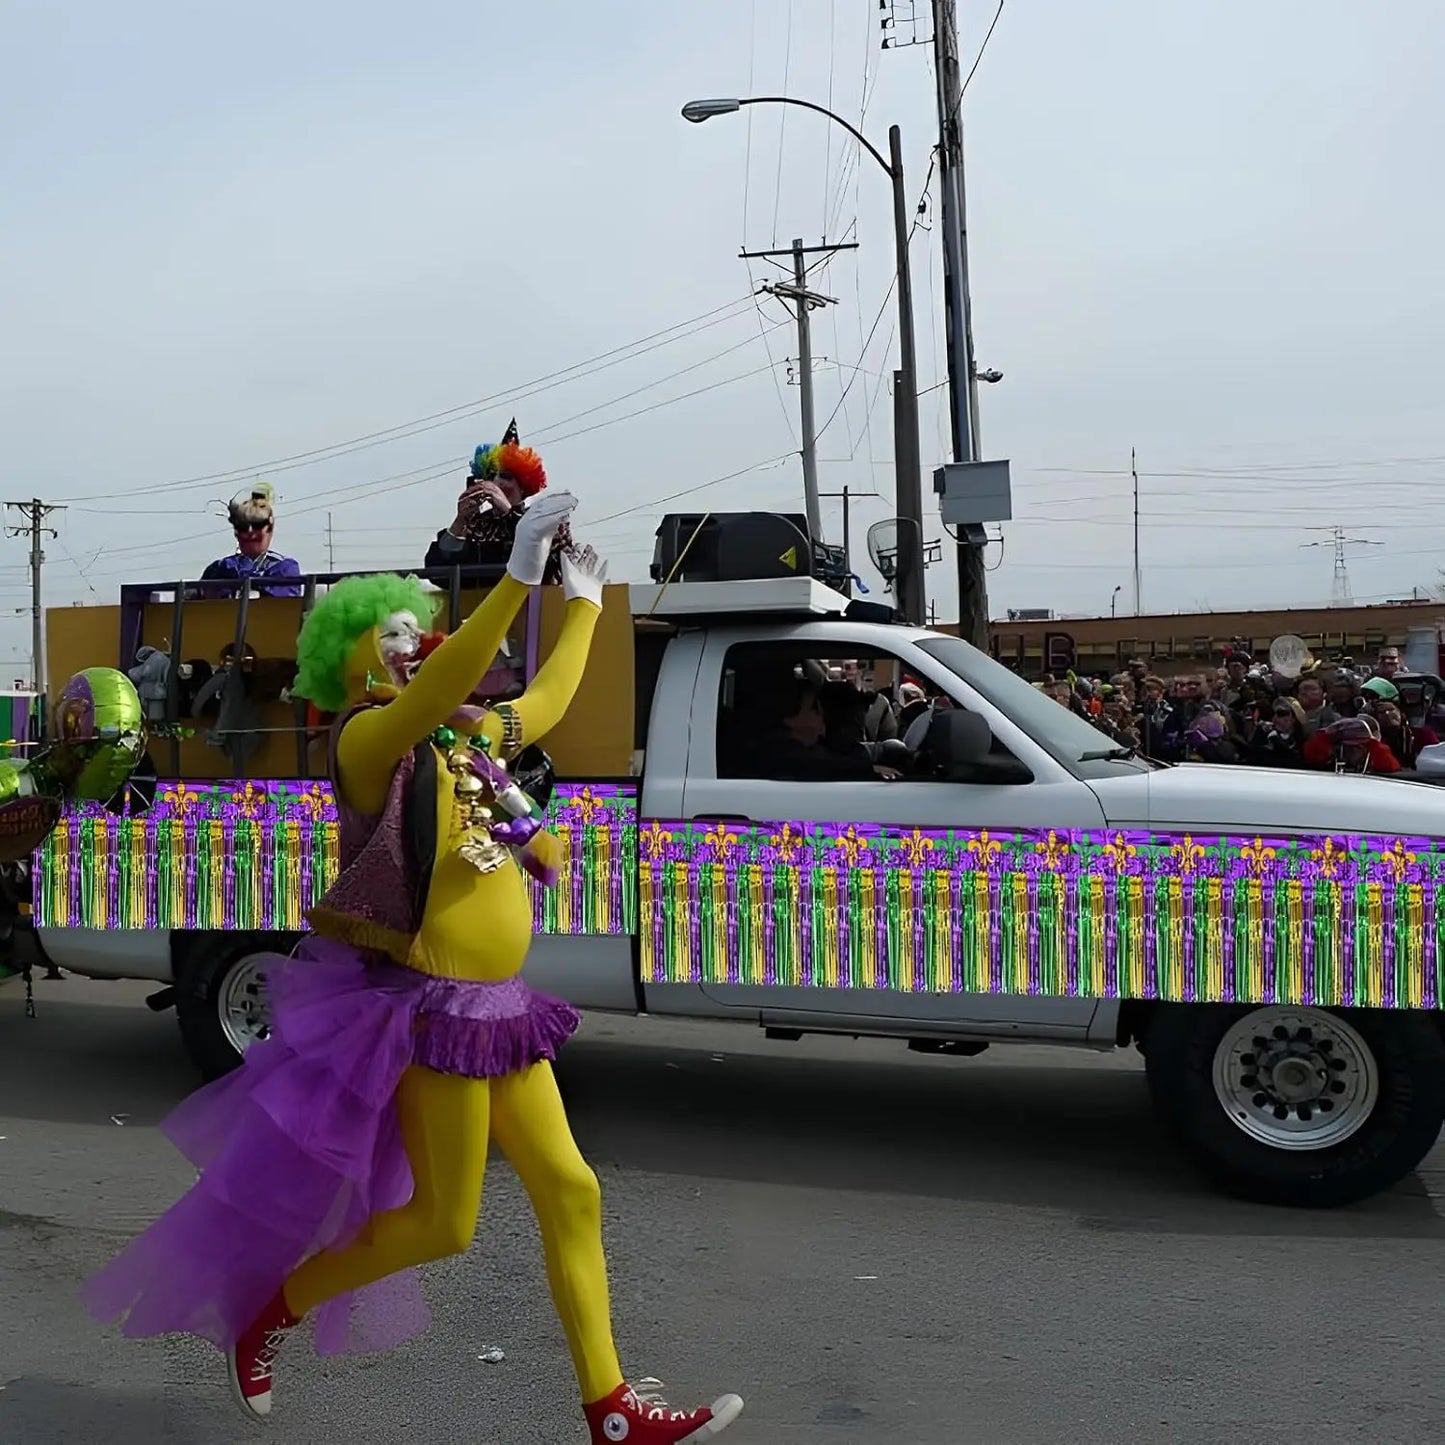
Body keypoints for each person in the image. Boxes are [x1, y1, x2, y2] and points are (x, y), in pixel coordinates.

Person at [84, 492, 743, 1444]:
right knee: (445, 1225)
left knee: (572, 1188)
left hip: (505, 1005)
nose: (405, 644)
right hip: (433, 1011)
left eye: (412, 629)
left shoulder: (464, 741)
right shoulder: (366, 740)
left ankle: (608, 1409)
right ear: (347, 658)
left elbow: (544, 704)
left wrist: (586, 604)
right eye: (386, 634)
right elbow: (441, 687)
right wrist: (515, 580)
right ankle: (272, 1313)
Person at [425, 422, 571, 584]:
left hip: (532, 607)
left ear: (523, 486)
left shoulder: (544, 519)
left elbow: (561, 563)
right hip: (477, 607)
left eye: (505, 477)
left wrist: (509, 513)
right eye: (491, 476)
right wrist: (460, 522)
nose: (496, 482)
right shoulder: (476, 525)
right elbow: (436, 573)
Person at [199, 484, 302, 598]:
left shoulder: (285, 568)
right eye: (242, 526)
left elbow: (285, 604)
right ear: (236, 532)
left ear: (270, 528)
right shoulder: (219, 569)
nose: (250, 533)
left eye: (258, 525)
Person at [1362, 677, 1438, 768]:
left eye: (1391, 709)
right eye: (1381, 712)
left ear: (1401, 712)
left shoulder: (1424, 735)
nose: (1387, 714)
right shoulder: (1373, 740)